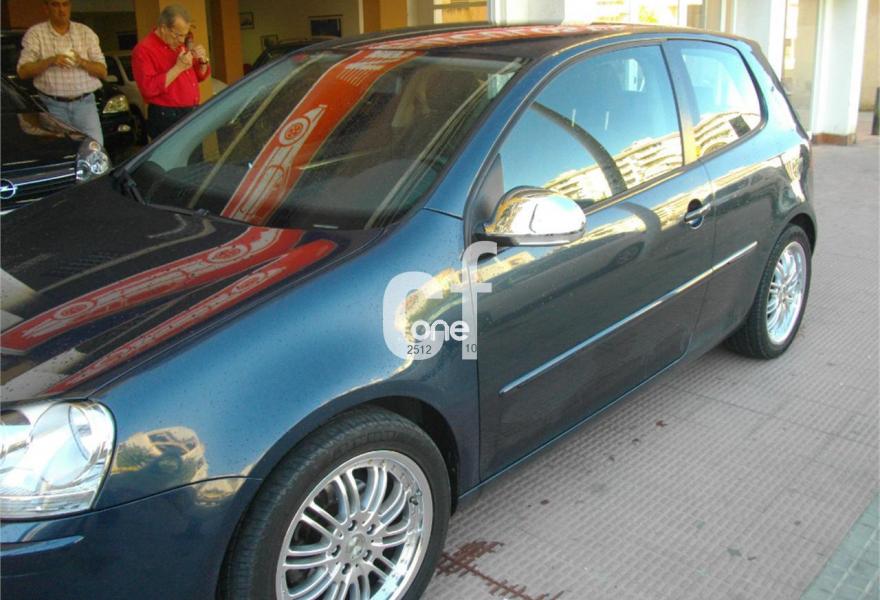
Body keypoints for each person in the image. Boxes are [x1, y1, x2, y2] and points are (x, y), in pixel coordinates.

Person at [16, 0, 107, 145]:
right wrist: (51, 60)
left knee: (95, 148)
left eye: (65, 4)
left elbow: (102, 72)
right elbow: (23, 71)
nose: (61, 10)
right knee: (60, 149)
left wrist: (81, 61)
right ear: (46, 8)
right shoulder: (35, 34)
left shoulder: (85, 32)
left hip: (85, 105)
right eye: (55, 4)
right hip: (52, 105)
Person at [132, 4, 210, 141]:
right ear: (163, 28)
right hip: (167, 116)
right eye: (178, 35)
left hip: (191, 111)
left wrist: (203, 62)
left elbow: (197, 76)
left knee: (196, 154)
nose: (181, 40)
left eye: (184, 35)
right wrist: (178, 68)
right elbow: (148, 88)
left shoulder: (178, 45)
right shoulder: (144, 50)